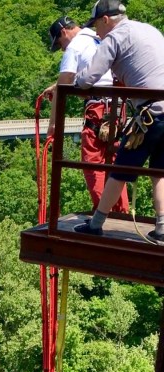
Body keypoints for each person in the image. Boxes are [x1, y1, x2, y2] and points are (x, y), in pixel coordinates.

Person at [73, 0, 164, 243]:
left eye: (96, 26)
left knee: (119, 171)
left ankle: (96, 224)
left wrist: (75, 82)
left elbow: (88, 77)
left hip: (151, 113)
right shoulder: (149, 30)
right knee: (159, 172)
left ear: (105, 20)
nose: (96, 33)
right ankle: (162, 228)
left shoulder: (114, 38)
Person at [44, 15, 128, 212]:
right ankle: (121, 212)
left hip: (97, 109)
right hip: (117, 107)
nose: (62, 48)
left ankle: (102, 212)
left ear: (64, 32)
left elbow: (64, 87)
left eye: (60, 43)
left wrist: (53, 126)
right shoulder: (99, 38)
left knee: (93, 162)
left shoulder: (74, 47)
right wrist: (56, 85)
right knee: (114, 163)